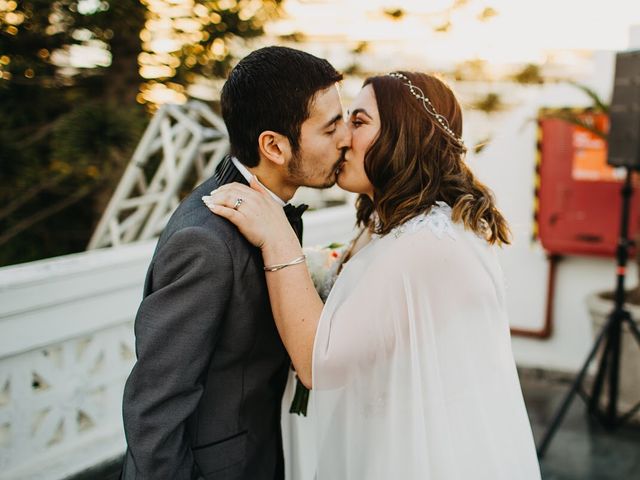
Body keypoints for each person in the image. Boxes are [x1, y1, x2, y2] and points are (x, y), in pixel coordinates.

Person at [204, 71, 542, 479]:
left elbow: (317, 363)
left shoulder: (427, 243)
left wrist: (278, 237)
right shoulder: (389, 223)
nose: (343, 137)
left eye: (359, 122)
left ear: (406, 136)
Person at [120, 46, 350, 480]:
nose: (345, 139)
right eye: (330, 127)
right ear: (274, 147)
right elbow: (155, 404)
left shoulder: (267, 210)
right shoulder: (205, 241)